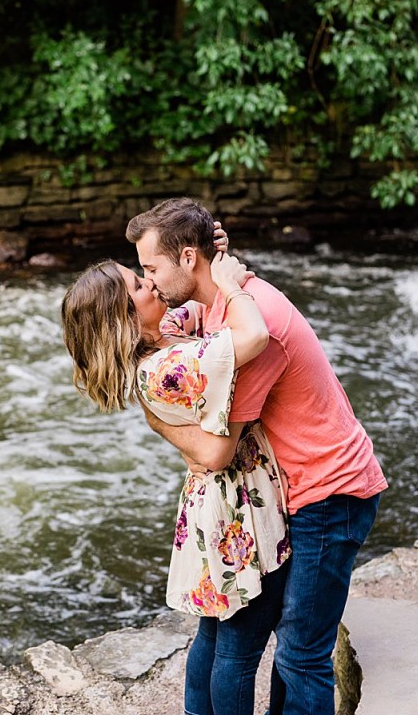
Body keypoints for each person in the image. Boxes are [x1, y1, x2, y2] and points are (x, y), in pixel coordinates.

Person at [127, 198, 388, 715]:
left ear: (186, 258)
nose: (148, 280)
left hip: (328, 493)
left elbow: (216, 451)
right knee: (289, 647)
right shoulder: (218, 308)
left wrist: (155, 418)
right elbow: (182, 339)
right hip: (303, 489)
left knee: (301, 653)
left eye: (149, 268)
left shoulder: (251, 325)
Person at [60, 249, 291, 715]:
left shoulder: (162, 337)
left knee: (214, 630)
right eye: (139, 285)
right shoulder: (172, 366)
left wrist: (210, 255)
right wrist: (232, 286)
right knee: (240, 647)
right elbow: (254, 334)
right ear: (124, 317)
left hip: (214, 506)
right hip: (237, 511)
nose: (152, 285)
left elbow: (190, 295)